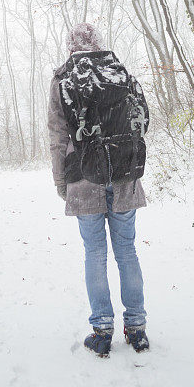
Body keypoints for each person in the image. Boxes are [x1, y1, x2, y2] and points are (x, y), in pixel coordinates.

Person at [47, 22, 149, 358]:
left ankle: (102, 330)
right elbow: (143, 119)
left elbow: (58, 136)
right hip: (123, 176)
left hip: (83, 178)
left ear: (70, 45)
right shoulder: (120, 72)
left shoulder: (63, 80)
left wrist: (61, 181)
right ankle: (136, 328)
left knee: (95, 254)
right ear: (98, 43)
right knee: (127, 252)